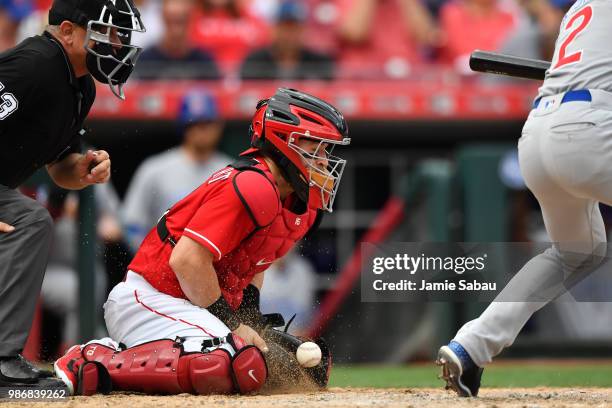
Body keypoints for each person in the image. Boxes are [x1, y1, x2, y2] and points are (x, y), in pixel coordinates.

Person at [54, 88, 350, 396]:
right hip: (150, 298)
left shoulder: (299, 205)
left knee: (285, 370)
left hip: (195, 308)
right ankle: (94, 360)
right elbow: (186, 261)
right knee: (232, 360)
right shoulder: (253, 184)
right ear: (283, 140)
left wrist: (251, 321)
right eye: (315, 147)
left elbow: (253, 262)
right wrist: (234, 326)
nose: (324, 160)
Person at [437, 0, 612, 397]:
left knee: (577, 251)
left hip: (539, 133)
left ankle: (472, 345)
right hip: (589, 127)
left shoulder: (580, 8)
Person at [0, 0, 144, 389]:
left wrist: (80, 169)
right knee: (30, 220)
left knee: (27, 219)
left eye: (119, 36)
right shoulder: (35, 64)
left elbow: (58, 167)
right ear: (67, 32)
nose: (116, 45)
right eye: (106, 34)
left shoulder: (80, 85)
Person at [122, 91, 231, 252]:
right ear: (184, 126)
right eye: (196, 123)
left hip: (214, 265)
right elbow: (132, 224)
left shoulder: (231, 172)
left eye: (208, 123)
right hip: (162, 263)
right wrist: (152, 258)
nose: (203, 130)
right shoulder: (155, 169)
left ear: (219, 126)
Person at [240, 0, 335, 81]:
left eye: (294, 28)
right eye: (284, 27)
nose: (289, 34)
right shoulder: (255, 61)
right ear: (274, 29)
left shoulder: (320, 62)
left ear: (303, 30)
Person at [135, 0, 221, 80]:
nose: (176, 30)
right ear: (163, 19)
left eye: (181, 21)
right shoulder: (146, 60)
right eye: (170, 21)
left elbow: (218, 92)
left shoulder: (204, 61)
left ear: (190, 20)